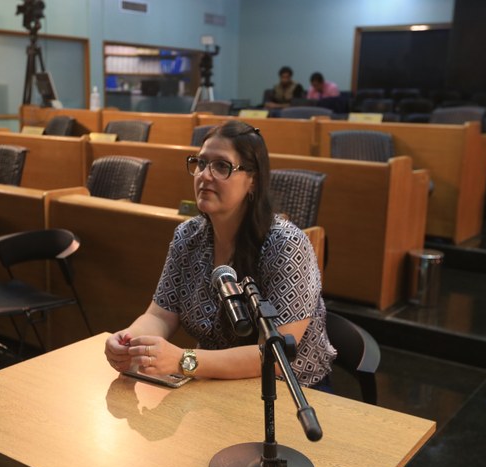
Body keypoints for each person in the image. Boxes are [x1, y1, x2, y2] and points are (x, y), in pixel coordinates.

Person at [104, 120, 335, 389]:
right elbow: (160, 315)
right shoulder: (188, 235)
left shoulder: (287, 244)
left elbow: (275, 355)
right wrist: (129, 341)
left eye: (222, 166)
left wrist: (184, 360)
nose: (205, 175)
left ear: (253, 180)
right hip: (215, 382)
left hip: (292, 389)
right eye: (201, 163)